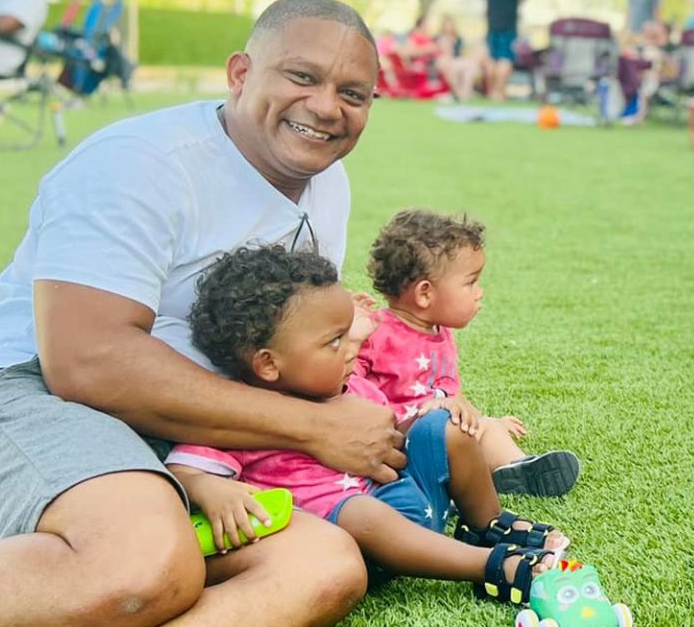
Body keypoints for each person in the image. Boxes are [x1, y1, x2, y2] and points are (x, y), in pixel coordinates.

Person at [0, 0, 386, 625]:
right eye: (302, 76)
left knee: (321, 568)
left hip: (186, 429)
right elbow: (87, 363)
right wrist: (315, 427)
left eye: (353, 92)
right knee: (140, 565)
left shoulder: (328, 183)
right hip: (31, 389)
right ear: (240, 73)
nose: (326, 107)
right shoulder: (139, 165)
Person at [168, 245, 572, 607]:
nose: (353, 349)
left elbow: (395, 436)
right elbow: (185, 467)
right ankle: (491, 567)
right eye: (335, 341)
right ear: (269, 364)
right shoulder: (245, 415)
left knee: (446, 426)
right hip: (365, 542)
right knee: (361, 512)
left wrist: (432, 417)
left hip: (409, 499)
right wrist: (213, 488)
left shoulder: (353, 386)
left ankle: (486, 525)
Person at [358, 209, 582, 497]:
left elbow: (449, 396)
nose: (480, 292)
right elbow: (350, 394)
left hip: (444, 436)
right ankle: (482, 473)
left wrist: (476, 419)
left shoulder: (440, 333)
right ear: (425, 293)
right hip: (399, 445)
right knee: (467, 432)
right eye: (470, 282)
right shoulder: (376, 332)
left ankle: (517, 469)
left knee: (486, 428)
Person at [478, 0, 526, 102]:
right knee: (505, 58)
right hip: (508, 25)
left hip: (492, 23)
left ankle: (491, 92)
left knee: (492, 58)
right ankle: (499, 92)